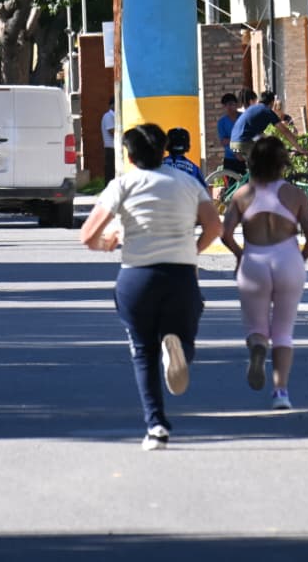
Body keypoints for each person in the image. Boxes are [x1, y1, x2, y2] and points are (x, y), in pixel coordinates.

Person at [80, 123, 222, 451]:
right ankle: (177, 349)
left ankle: (156, 426)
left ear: (129, 155)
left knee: (143, 353)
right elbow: (214, 226)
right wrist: (192, 250)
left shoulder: (122, 186)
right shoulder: (188, 183)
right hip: (181, 275)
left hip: (136, 277)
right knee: (184, 339)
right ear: (163, 150)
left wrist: (108, 243)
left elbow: (88, 235)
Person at [220, 137, 308, 410]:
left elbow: (225, 234)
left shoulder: (242, 195)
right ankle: (281, 392)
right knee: (284, 332)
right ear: (282, 163)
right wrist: (299, 260)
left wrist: (241, 255)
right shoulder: (295, 195)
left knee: (257, 328)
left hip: (254, 261)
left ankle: (257, 347)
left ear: (252, 162)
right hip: (287, 259)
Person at [228, 90, 303, 158]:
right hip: (243, 143)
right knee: (267, 158)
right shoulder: (267, 111)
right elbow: (284, 131)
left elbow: (260, 134)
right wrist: (299, 148)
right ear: (272, 103)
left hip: (234, 142)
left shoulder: (253, 109)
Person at [216, 93, 245, 174]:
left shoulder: (244, 118)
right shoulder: (222, 122)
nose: (229, 107)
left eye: (231, 104)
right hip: (230, 159)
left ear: (236, 105)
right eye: (225, 105)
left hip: (245, 158)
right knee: (231, 185)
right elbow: (223, 141)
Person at [101, 97, 116, 182]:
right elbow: (112, 131)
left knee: (113, 171)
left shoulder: (114, 116)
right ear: (111, 105)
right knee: (110, 171)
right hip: (110, 147)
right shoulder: (108, 116)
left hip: (114, 148)